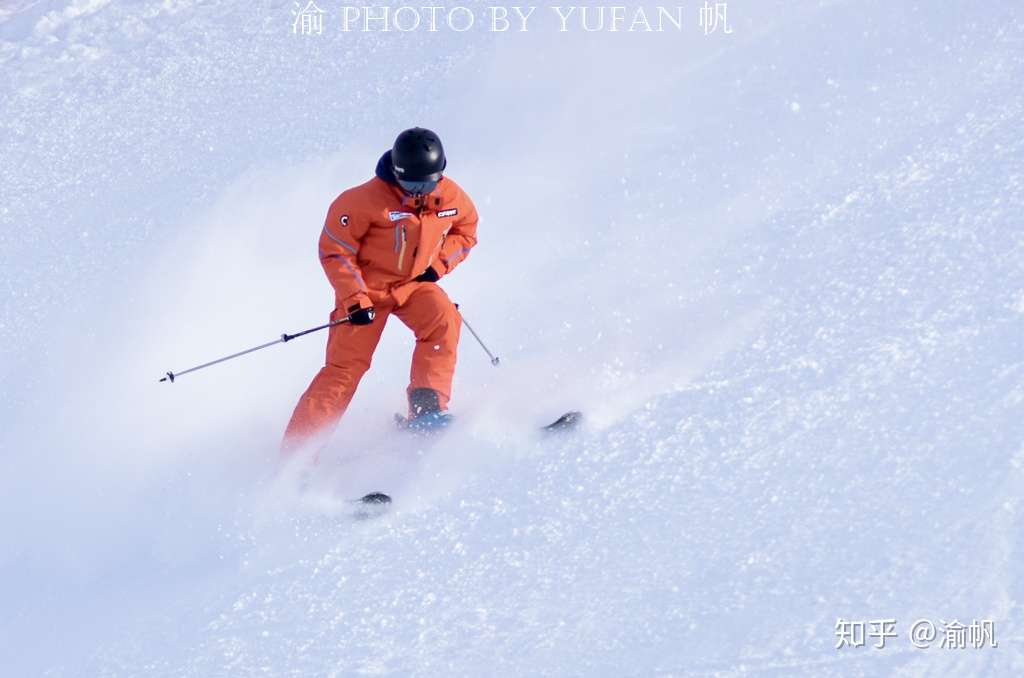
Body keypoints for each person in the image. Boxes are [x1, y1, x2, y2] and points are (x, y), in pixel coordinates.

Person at [282, 127, 479, 454]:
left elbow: (467, 233)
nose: (421, 191)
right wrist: (355, 300)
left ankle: (427, 408)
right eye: (413, 184)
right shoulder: (360, 202)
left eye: (429, 183)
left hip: (413, 286)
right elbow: (335, 251)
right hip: (365, 293)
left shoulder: (451, 197)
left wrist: (439, 266)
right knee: (344, 370)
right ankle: (298, 453)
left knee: (443, 319)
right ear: (396, 173)